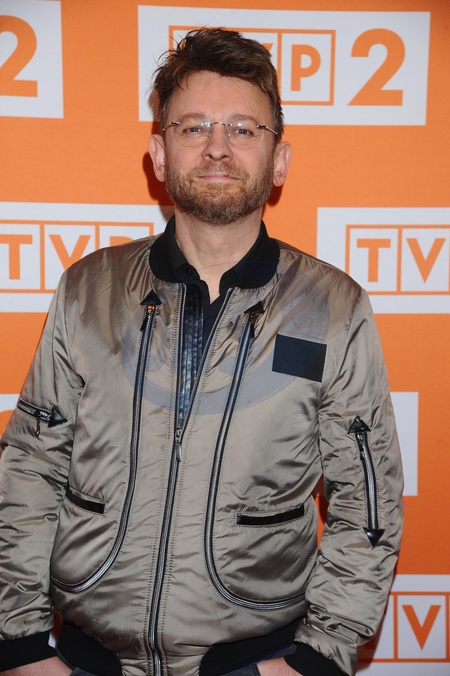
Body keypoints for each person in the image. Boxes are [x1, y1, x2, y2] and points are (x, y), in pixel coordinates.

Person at [0, 27, 403, 676]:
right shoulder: (87, 290)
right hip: (86, 659)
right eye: (194, 128)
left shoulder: (333, 308)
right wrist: (19, 643)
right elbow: (30, 468)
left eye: (243, 129)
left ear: (279, 161)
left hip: (259, 660)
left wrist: (319, 658)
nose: (218, 146)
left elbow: (367, 501)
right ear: (159, 156)